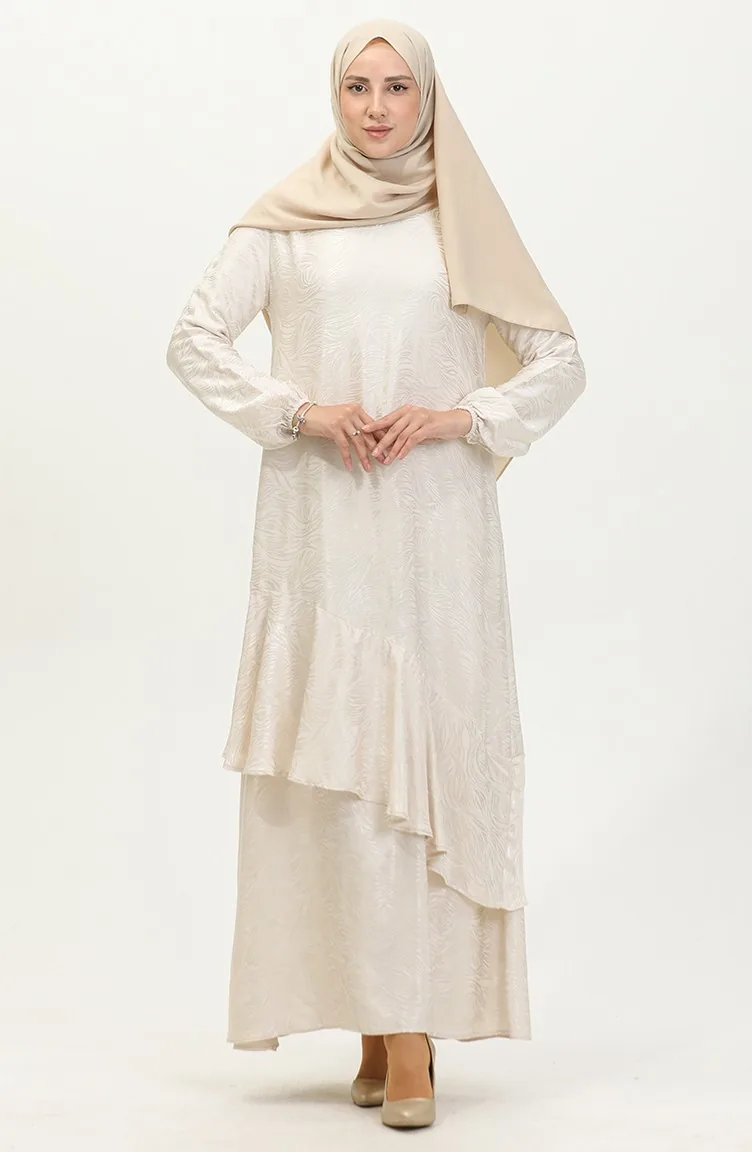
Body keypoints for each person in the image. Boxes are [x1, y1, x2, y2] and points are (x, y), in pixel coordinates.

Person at [165, 17, 586, 1130]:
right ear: (334, 96)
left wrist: (462, 417)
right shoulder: (283, 226)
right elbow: (194, 339)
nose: (377, 108)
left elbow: (559, 358)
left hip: (434, 535)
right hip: (320, 532)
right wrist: (297, 410)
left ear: (427, 97)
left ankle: (409, 1035)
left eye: (398, 87)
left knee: (419, 761)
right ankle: (371, 1017)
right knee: (342, 769)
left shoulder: (461, 221)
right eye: (358, 86)